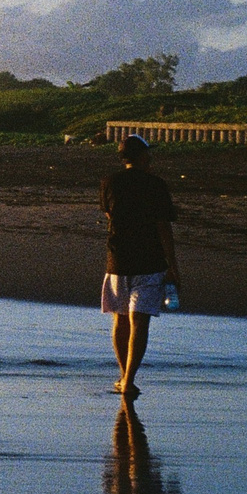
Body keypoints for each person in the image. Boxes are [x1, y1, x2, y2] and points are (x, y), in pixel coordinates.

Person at [99, 135, 182, 401]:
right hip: (149, 260)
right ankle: (129, 379)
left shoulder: (109, 182)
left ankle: (124, 376)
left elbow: (109, 215)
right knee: (140, 322)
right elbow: (163, 227)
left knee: (120, 319)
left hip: (118, 259)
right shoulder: (156, 184)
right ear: (143, 156)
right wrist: (173, 265)